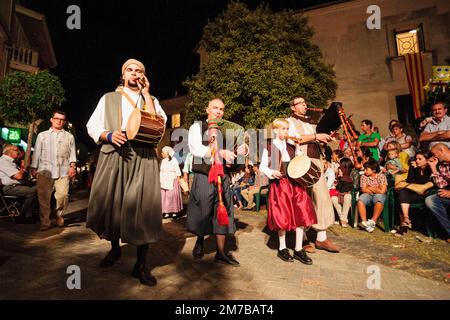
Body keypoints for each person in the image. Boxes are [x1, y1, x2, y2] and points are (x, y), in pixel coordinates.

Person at [86, 58, 167, 286]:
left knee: (144, 208)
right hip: (116, 154)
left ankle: (140, 266)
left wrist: (148, 94)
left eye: (138, 71)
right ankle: (115, 249)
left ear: (144, 76)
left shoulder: (151, 99)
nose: (134, 73)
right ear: (123, 75)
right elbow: (93, 126)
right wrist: (108, 135)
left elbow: (159, 123)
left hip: (144, 156)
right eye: (130, 70)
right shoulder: (108, 98)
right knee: (114, 204)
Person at [186, 98, 247, 266]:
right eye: (215, 108)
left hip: (224, 176)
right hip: (205, 175)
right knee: (203, 211)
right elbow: (196, 149)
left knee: (224, 212)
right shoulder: (197, 126)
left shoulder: (229, 129)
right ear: (207, 109)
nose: (219, 111)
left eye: (221, 109)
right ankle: (200, 241)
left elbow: (236, 152)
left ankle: (221, 252)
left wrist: (243, 150)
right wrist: (219, 152)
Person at [287, 97, 339, 253]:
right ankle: (302, 239)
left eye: (305, 103)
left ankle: (321, 238)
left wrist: (324, 139)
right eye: (301, 103)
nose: (304, 105)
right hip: (301, 163)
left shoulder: (311, 123)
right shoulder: (288, 122)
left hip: (315, 162)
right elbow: (295, 139)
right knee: (303, 200)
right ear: (293, 108)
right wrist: (317, 136)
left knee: (322, 197)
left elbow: (315, 140)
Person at [260, 119, 317, 264]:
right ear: (275, 130)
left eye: (287, 129)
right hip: (280, 185)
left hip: (295, 183)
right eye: (283, 129)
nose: (286, 132)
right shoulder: (269, 146)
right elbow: (262, 166)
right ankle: (282, 247)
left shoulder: (290, 146)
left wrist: (298, 148)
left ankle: (298, 249)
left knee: (301, 213)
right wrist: (272, 172)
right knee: (283, 215)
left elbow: (299, 162)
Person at [30, 111, 77, 231]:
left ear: (64, 122)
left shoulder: (69, 136)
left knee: (63, 195)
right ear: (51, 119)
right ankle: (45, 222)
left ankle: (59, 214)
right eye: (56, 118)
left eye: (62, 119)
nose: (59, 121)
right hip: (45, 170)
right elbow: (36, 152)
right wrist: (34, 167)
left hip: (63, 170)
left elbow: (72, 153)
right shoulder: (42, 135)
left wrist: (73, 166)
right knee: (43, 198)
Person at [397, 152, 432, 236]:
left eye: (420, 159)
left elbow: (423, 185)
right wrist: (414, 169)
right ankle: (406, 219)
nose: (417, 161)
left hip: (426, 195)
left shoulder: (430, 169)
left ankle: (404, 226)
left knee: (402, 197)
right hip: (414, 194)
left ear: (427, 160)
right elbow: (410, 181)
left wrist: (411, 185)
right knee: (402, 193)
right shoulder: (414, 168)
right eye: (416, 159)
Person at [0, 144, 37, 223]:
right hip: (9, 187)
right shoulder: (3, 161)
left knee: (38, 188)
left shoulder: (12, 162)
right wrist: (23, 169)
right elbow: (19, 176)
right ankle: (23, 216)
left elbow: (23, 176)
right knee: (32, 192)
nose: (19, 152)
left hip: (18, 186)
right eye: (17, 150)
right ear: (10, 152)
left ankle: (31, 214)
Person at [425, 143, 450, 242]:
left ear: (442, 150)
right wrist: (433, 168)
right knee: (430, 200)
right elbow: (442, 185)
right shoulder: (442, 166)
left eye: (435, 153)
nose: (434, 156)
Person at [357, 159, 388, 233]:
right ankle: (365, 223)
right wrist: (376, 189)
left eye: (367, 169)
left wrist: (369, 187)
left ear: (373, 170)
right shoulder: (363, 177)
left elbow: (382, 191)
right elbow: (363, 189)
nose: (365, 171)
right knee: (361, 200)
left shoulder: (381, 176)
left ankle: (373, 221)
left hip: (378, 195)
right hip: (368, 194)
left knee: (379, 198)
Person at [160, 146, 183, 219]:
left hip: (172, 180)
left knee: (172, 196)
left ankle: (174, 212)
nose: (162, 154)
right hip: (164, 180)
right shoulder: (163, 161)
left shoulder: (174, 160)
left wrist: (179, 179)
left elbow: (177, 170)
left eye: (163, 152)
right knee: (165, 196)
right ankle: (166, 211)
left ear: (167, 153)